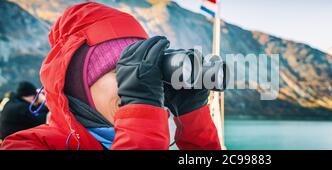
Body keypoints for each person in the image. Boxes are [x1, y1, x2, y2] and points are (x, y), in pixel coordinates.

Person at [0, 2, 220, 150]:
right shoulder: (25, 145)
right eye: (121, 70)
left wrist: (192, 120)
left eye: (146, 71)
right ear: (79, 88)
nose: (138, 81)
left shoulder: (153, 136)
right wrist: (141, 119)